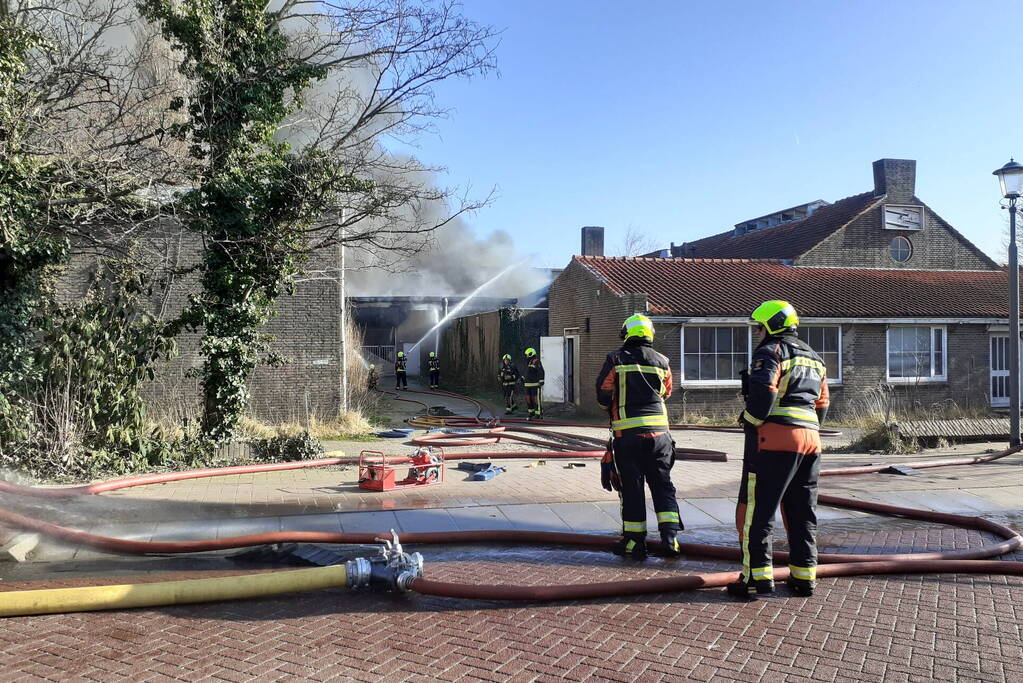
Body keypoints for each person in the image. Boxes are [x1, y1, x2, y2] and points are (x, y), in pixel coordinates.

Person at [728, 300, 830, 600]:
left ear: (770, 325)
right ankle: (803, 578)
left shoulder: (771, 351)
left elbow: (764, 392)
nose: (757, 333)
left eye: (759, 327)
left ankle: (754, 580)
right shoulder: (815, 358)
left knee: (757, 512)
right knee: (803, 511)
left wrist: (748, 420)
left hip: (774, 440)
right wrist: (808, 427)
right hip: (811, 442)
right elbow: (823, 403)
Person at [595, 313, 682, 559]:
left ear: (626, 334)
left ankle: (634, 543)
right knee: (663, 485)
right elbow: (666, 392)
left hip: (629, 435)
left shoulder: (616, 359)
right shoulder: (663, 361)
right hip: (661, 436)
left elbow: (603, 392)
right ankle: (671, 539)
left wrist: (612, 408)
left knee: (631, 488)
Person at [523, 347, 544, 420]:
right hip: (527, 385)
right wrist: (522, 378)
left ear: (531, 354)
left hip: (535, 384)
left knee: (535, 399)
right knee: (528, 399)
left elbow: (541, 371)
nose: (526, 356)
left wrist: (541, 380)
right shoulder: (528, 362)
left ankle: (538, 413)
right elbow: (526, 372)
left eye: (527, 355)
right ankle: (531, 412)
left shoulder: (536, 361)